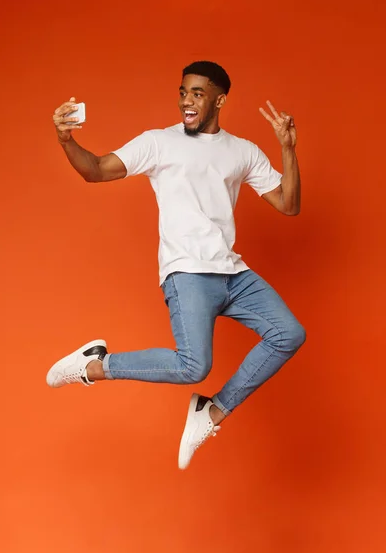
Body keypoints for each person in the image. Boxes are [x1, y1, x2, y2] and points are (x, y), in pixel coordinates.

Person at [48, 61, 306, 469]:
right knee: (194, 366)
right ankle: (93, 365)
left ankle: (213, 411)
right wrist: (66, 141)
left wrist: (287, 149)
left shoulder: (243, 152)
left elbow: (289, 205)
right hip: (187, 271)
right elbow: (95, 170)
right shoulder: (159, 143)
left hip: (233, 273)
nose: (187, 100)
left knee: (288, 334)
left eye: (198, 93)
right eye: (183, 91)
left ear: (220, 100)